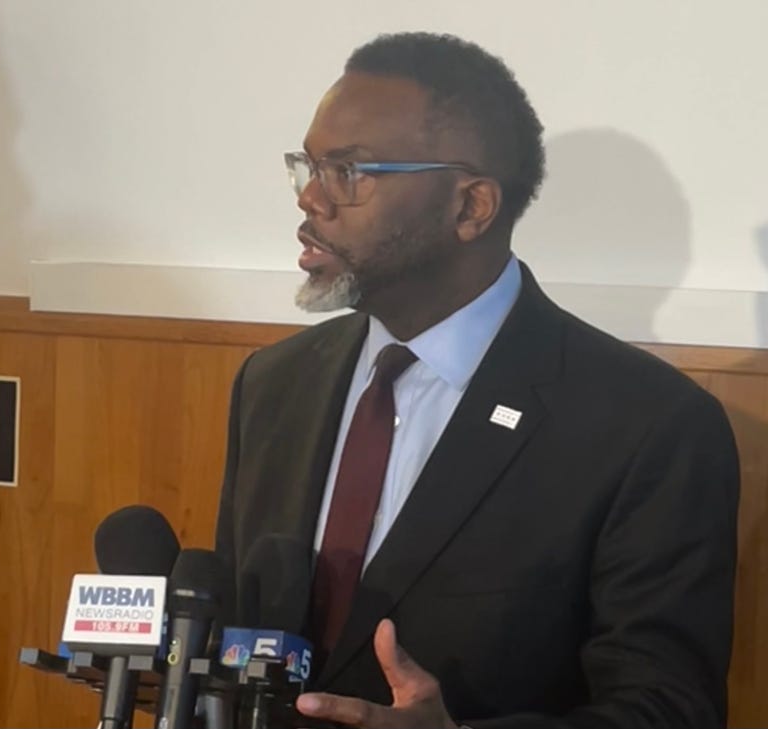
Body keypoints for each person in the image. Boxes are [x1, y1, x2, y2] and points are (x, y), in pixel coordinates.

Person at [215, 32, 739, 729]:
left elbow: (668, 709)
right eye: (309, 166)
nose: (311, 198)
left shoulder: (649, 427)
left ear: (471, 208)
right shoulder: (273, 383)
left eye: (348, 171)